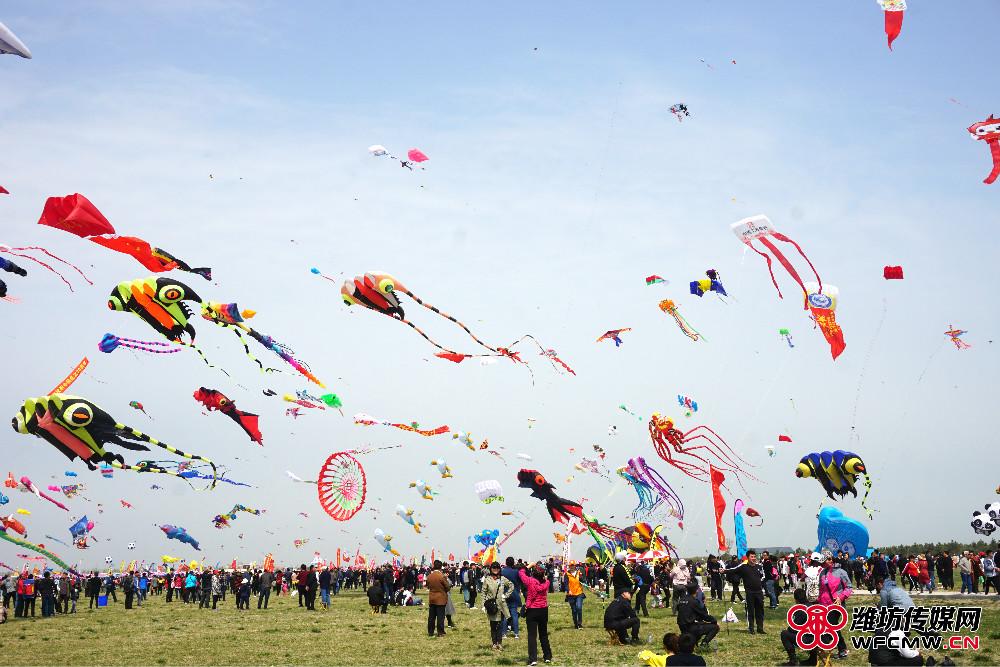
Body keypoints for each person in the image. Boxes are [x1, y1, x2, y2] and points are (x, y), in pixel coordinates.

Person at [818, 556, 852, 660]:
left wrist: (841, 597)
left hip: (836, 605)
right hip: (823, 604)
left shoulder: (841, 572)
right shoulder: (822, 573)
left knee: (832, 626)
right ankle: (834, 647)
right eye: (825, 560)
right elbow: (822, 589)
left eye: (829, 559)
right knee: (830, 627)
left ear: (833, 560)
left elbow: (849, 587)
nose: (827, 561)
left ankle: (841, 649)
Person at [519, 562, 553, 666]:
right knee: (543, 634)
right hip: (543, 609)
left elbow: (521, 572)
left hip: (532, 610)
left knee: (532, 636)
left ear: (533, 572)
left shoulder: (529, 581)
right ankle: (547, 656)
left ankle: (533, 659)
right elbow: (546, 580)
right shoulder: (546, 583)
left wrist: (529, 565)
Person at [726, 549, 765, 634]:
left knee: (760, 611)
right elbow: (733, 570)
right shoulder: (743, 566)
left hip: (759, 592)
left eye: (754, 557)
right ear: (748, 558)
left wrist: (760, 583)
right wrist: (724, 571)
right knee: (750, 611)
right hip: (749, 592)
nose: (754, 558)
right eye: (752, 557)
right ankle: (751, 628)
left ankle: (760, 628)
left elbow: (763, 576)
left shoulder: (759, 566)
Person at [481, 561, 514, 650]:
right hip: (491, 605)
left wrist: (506, 595)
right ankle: (494, 643)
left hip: (501, 605)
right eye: (494, 568)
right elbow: (483, 592)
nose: (495, 569)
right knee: (493, 625)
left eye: (497, 568)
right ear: (491, 569)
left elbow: (511, 586)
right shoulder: (487, 579)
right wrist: (483, 605)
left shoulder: (503, 579)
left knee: (500, 625)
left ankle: (499, 643)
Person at [676, 582, 719, 648]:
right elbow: (703, 615)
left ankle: (692, 641)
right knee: (715, 627)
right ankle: (704, 644)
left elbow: (680, 610)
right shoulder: (694, 601)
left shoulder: (681, 599)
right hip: (690, 626)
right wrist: (714, 620)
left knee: (700, 624)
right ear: (697, 590)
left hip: (682, 626)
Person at [781, 589, 817, 667]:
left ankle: (793, 660)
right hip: (819, 638)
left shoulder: (800, 610)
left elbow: (794, 629)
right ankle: (813, 659)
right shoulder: (812, 606)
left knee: (784, 634)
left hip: (808, 640)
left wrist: (789, 630)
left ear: (795, 599)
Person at [426, 560, 450, 637]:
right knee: (440, 617)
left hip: (432, 598)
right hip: (441, 599)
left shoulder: (429, 576)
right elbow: (447, 587)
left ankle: (430, 632)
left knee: (431, 617)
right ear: (440, 567)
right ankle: (440, 632)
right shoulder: (441, 576)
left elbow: (428, 586)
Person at [501, 556, 523, 639]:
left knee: (505, 615)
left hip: (504, 594)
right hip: (514, 594)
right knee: (514, 614)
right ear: (513, 563)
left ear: (506, 562)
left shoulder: (502, 571)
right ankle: (516, 633)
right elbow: (520, 582)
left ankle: (504, 633)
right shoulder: (516, 572)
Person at [564, 565, 585, 629]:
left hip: (579, 593)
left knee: (579, 607)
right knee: (574, 610)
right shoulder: (567, 574)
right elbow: (566, 583)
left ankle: (580, 623)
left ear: (575, 566)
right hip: (571, 595)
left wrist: (581, 577)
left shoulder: (579, 572)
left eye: (573, 565)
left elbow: (583, 581)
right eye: (570, 565)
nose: (572, 567)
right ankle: (576, 624)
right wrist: (568, 590)